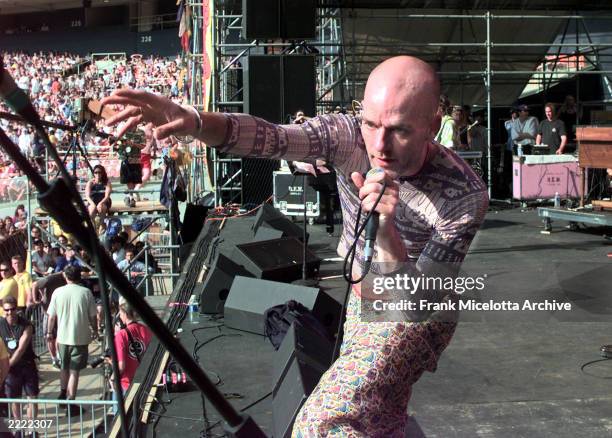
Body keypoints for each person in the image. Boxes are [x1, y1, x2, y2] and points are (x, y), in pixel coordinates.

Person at [102, 56, 488, 436]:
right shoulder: (348, 136)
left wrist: (385, 230)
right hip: (362, 295)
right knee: (378, 417)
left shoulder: (463, 194)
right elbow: (273, 138)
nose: (379, 144)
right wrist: (197, 122)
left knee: (321, 423)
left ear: (432, 126)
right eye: (371, 124)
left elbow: (415, 304)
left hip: (415, 313)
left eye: (400, 130)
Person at [46, 266, 97, 415]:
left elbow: (51, 316)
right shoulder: (86, 293)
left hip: (62, 337)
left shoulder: (58, 292)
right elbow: (93, 316)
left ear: (65, 276)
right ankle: (71, 401)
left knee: (64, 367)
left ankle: (63, 393)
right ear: (79, 277)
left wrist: (49, 332)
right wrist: (95, 329)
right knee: (74, 372)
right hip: (80, 337)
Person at [0, 296, 39, 422]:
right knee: (14, 399)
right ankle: (18, 426)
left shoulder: (26, 325)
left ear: (17, 308)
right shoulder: (1, 324)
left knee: (32, 398)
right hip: (11, 369)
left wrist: (6, 366)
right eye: (6, 310)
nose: (9, 312)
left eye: (12, 309)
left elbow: (21, 349)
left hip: (26, 364)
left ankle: (32, 427)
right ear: (3, 310)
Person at [113, 297, 151, 393]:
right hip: (144, 379)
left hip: (127, 383)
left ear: (125, 314)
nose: (120, 317)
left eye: (121, 314)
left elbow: (121, 366)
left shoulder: (121, 335)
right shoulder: (146, 330)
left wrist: (113, 377)